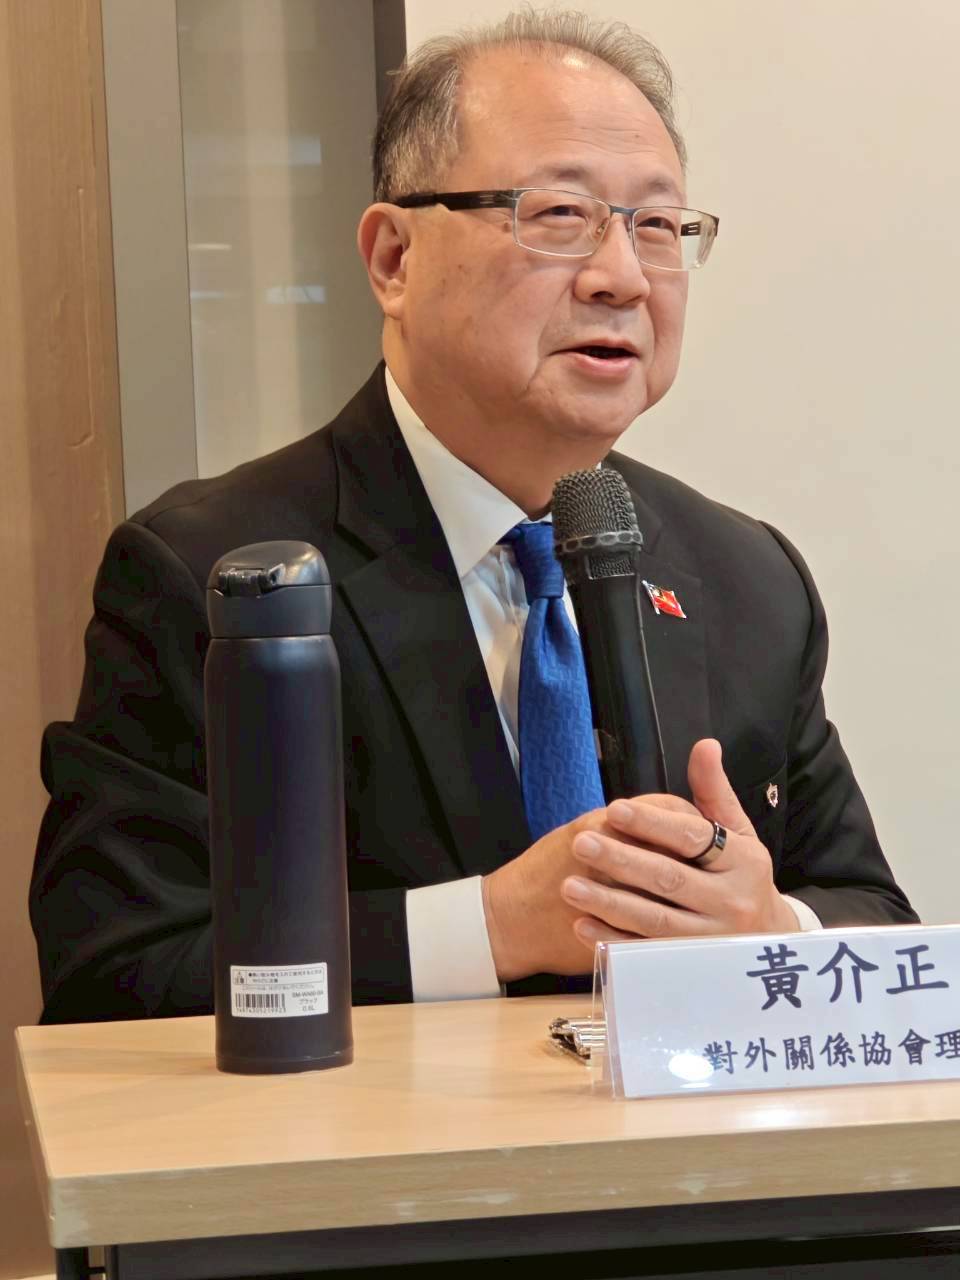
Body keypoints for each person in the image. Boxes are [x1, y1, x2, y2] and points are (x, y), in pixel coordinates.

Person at [30, 10, 916, 1024]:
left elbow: (875, 917)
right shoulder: (213, 574)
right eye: (560, 215)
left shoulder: (748, 576)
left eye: (660, 226)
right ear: (393, 258)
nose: (623, 277)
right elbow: (115, 969)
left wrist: (765, 927)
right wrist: (490, 927)